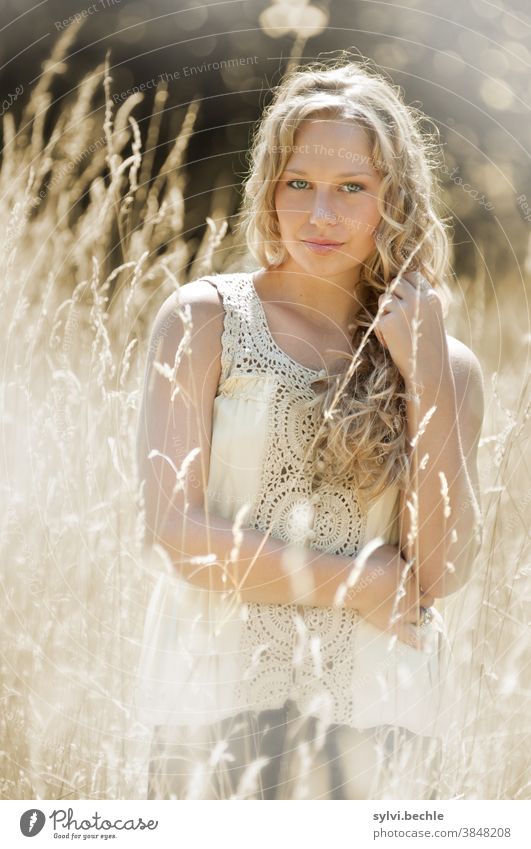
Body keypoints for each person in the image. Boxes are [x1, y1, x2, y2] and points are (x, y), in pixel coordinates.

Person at [134, 58, 484, 800]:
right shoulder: (205, 320)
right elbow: (173, 529)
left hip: (379, 714)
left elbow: (440, 572)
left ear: (395, 199)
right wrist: (355, 585)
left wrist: (424, 378)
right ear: (269, 186)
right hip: (216, 695)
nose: (319, 215)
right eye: (299, 183)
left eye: (350, 188)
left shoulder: (444, 363)